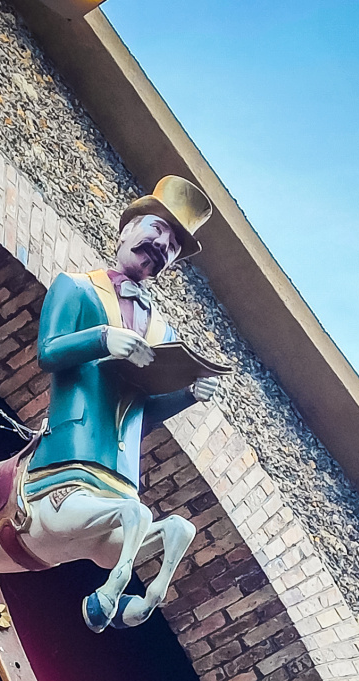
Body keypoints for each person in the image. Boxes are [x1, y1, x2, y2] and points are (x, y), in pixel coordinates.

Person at [28, 175, 221, 493]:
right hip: (71, 448)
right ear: (126, 229)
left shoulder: (162, 330)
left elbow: (144, 412)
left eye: (172, 247)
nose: (161, 245)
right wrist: (103, 338)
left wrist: (188, 394)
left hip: (123, 470)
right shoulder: (77, 287)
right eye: (156, 229)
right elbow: (48, 352)